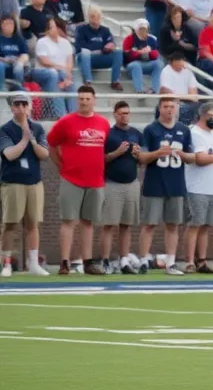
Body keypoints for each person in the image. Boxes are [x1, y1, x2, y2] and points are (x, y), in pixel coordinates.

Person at [46, 85, 111, 275]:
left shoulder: (103, 123)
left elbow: (103, 149)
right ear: (77, 100)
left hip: (95, 180)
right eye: (81, 98)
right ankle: (65, 262)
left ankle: (88, 261)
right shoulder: (66, 122)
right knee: (68, 221)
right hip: (71, 179)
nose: (84, 102)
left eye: (87, 99)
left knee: (89, 222)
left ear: (94, 100)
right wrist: (61, 166)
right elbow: (52, 144)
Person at [135, 98, 193, 275]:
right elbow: (142, 158)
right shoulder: (151, 130)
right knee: (149, 224)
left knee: (173, 225)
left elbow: (192, 158)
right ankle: (144, 260)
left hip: (176, 183)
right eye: (165, 106)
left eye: (172, 106)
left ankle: (171, 262)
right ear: (159, 108)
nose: (169, 110)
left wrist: (183, 154)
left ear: (176, 109)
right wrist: (158, 153)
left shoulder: (183, 130)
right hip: (155, 183)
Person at [0, 91, 50, 277]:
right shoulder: (5, 129)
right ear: (12, 107)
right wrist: (24, 139)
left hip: (34, 182)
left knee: (32, 224)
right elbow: (9, 154)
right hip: (12, 183)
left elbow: (44, 154)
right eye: (17, 104)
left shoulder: (37, 128)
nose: (21, 108)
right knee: (10, 224)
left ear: (29, 107)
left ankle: (34, 263)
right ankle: (6, 264)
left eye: (24, 104)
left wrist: (33, 139)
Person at [183, 102, 213, 273]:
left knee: (206, 226)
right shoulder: (195, 133)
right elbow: (200, 159)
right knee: (195, 224)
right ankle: (189, 261)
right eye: (210, 116)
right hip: (197, 187)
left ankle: (201, 260)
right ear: (202, 115)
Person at [99, 101, 142, 274]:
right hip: (112, 183)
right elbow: (100, 159)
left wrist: (138, 154)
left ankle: (124, 259)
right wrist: (117, 152)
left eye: (127, 113)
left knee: (126, 224)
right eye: (121, 113)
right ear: (115, 114)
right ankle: (106, 260)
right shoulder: (108, 134)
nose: (125, 116)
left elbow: (142, 161)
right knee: (109, 224)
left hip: (132, 183)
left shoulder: (136, 133)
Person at [33, 19, 75, 119]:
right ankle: (60, 115)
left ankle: (73, 116)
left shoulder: (66, 43)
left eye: (56, 26)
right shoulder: (42, 42)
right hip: (42, 72)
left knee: (71, 84)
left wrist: (67, 77)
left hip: (61, 73)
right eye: (52, 27)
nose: (54, 29)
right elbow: (44, 62)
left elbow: (70, 62)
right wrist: (63, 70)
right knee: (53, 74)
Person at [75, 6, 121, 91]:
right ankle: (88, 81)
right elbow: (79, 46)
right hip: (85, 58)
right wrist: (99, 49)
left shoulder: (105, 30)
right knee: (85, 52)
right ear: (88, 17)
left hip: (101, 57)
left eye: (98, 16)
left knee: (118, 52)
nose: (96, 19)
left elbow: (110, 42)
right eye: (93, 16)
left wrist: (110, 46)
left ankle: (115, 81)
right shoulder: (81, 29)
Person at [119, 18, 161, 96]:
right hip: (132, 65)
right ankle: (140, 90)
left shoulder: (152, 39)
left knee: (158, 64)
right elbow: (127, 55)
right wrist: (140, 53)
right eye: (141, 29)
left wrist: (144, 53)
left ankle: (155, 90)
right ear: (136, 29)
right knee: (136, 65)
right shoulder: (129, 39)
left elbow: (155, 54)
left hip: (146, 63)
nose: (143, 31)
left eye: (145, 29)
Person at [0, 17, 28, 90]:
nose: (10, 26)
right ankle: (2, 90)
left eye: (12, 24)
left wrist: (20, 62)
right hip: (3, 62)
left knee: (19, 67)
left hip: (16, 62)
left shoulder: (19, 39)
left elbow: (25, 54)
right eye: (7, 24)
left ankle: (19, 90)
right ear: (1, 26)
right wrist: (5, 60)